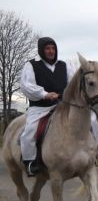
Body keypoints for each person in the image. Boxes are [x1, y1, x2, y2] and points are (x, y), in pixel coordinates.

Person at [20, 37, 75, 176]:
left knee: (84, 122)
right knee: (29, 132)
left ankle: (88, 154)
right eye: (47, 48)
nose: (51, 51)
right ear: (41, 50)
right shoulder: (31, 65)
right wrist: (44, 94)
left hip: (62, 106)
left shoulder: (65, 65)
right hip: (40, 108)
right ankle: (30, 162)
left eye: (53, 48)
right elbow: (27, 85)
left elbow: (73, 83)